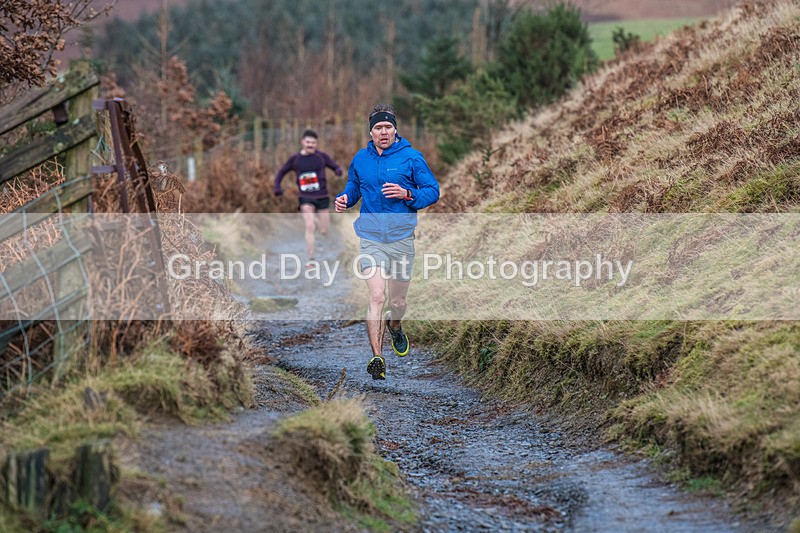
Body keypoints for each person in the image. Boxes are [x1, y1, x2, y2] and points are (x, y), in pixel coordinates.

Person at [335, 104, 440, 380]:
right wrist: (346, 198)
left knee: (398, 300)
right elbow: (354, 186)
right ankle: (377, 358)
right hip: (371, 237)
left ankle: (395, 325)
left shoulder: (411, 158)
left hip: (401, 238)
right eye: (378, 128)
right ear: (371, 131)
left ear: (396, 129)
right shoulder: (360, 158)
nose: (384, 132)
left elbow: (432, 191)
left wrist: (407, 193)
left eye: (388, 127)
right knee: (377, 296)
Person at [274, 129, 343, 264]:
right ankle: (311, 258)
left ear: (316, 144)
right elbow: (281, 172)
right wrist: (277, 187)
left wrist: (338, 171)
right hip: (305, 197)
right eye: (308, 142)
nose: (310, 145)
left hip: (322, 196)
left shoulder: (322, 157)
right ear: (302, 142)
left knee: (324, 230)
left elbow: (334, 166)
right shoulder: (295, 159)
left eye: (313, 143)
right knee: (310, 226)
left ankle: (318, 222)